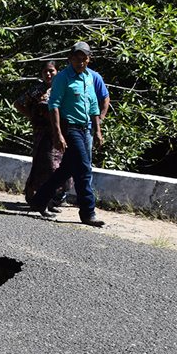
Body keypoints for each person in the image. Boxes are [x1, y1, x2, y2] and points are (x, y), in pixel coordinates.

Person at [27, 41, 105, 227]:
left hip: (85, 128)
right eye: (77, 58)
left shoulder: (89, 77)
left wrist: (98, 130)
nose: (80, 62)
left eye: (84, 58)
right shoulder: (62, 77)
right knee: (84, 169)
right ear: (70, 59)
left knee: (66, 170)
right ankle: (88, 212)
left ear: (89, 59)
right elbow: (54, 106)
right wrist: (58, 134)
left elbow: (94, 105)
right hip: (70, 128)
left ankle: (39, 201)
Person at [16, 61, 70, 207]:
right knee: (44, 164)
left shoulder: (63, 88)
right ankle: (36, 194)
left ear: (57, 72)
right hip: (42, 132)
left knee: (60, 165)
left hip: (61, 133)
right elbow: (19, 104)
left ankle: (57, 197)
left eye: (51, 71)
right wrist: (33, 116)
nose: (48, 74)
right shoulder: (37, 90)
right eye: (45, 71)